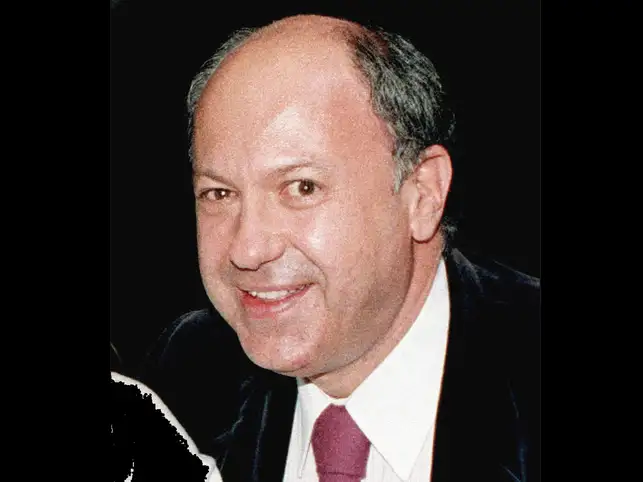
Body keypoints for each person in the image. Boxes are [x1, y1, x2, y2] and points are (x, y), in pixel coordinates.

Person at [137, 14, 540, 482]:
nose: (247, 249)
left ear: (423, 194)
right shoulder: (186, 373)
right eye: (219, 193)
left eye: (302, 187)